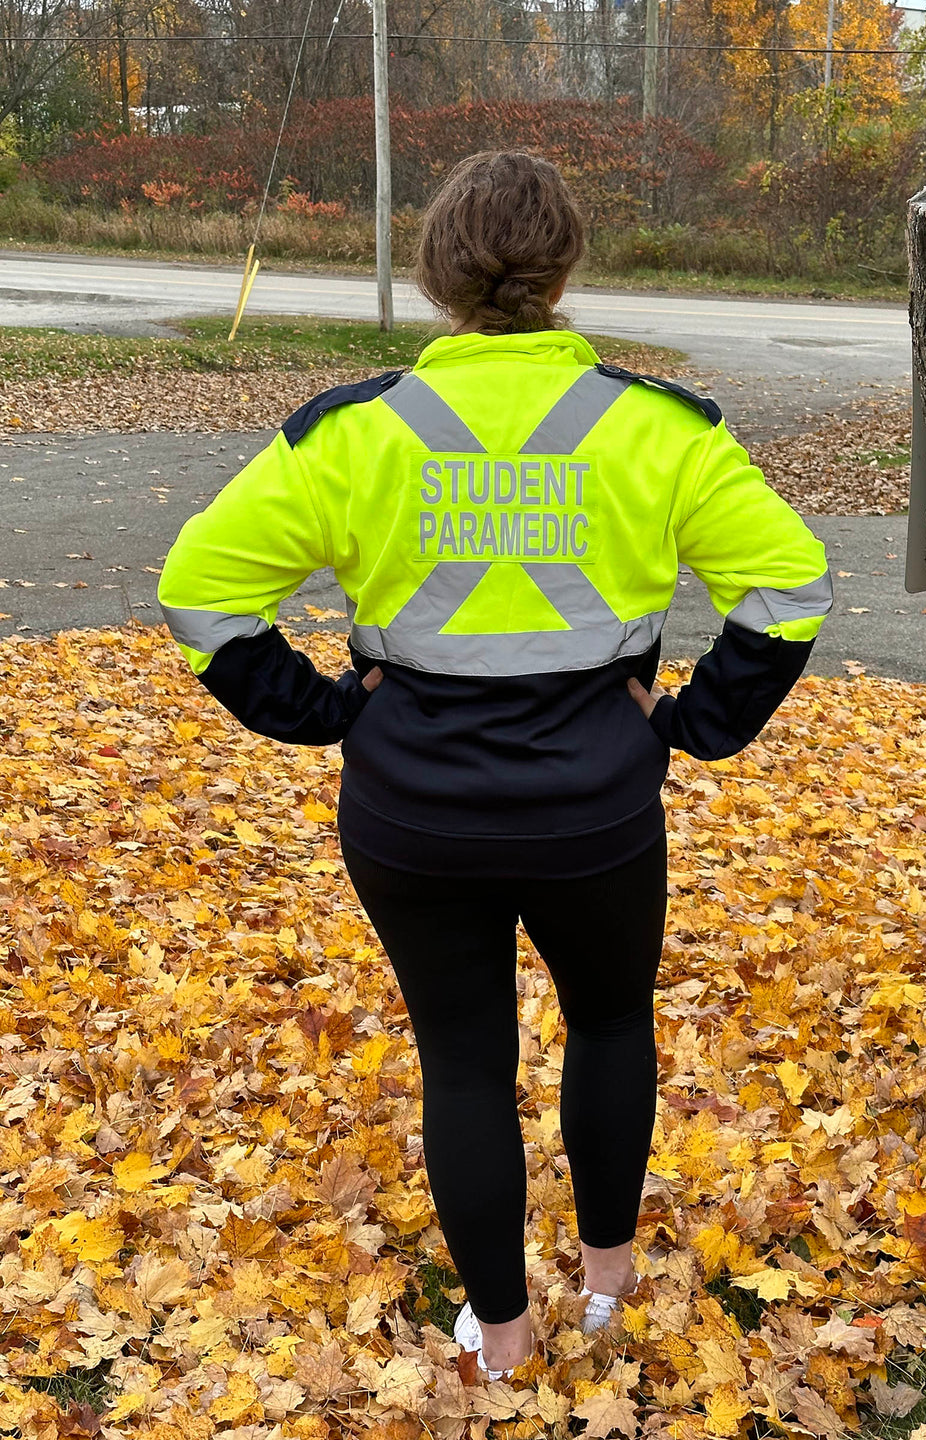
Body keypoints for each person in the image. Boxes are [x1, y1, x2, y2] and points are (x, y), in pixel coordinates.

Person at [157, 149, 833, 1382]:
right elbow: (789, 588)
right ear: (567, 266)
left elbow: (200, 590)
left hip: (414, 807)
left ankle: (506, 1339)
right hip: (597, 804)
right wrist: (689, 724)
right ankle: (612, 1288)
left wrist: (319, 712)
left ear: (434, 278)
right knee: (612, 1023)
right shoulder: (652, 427)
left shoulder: (355, 433)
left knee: (463, 1060)